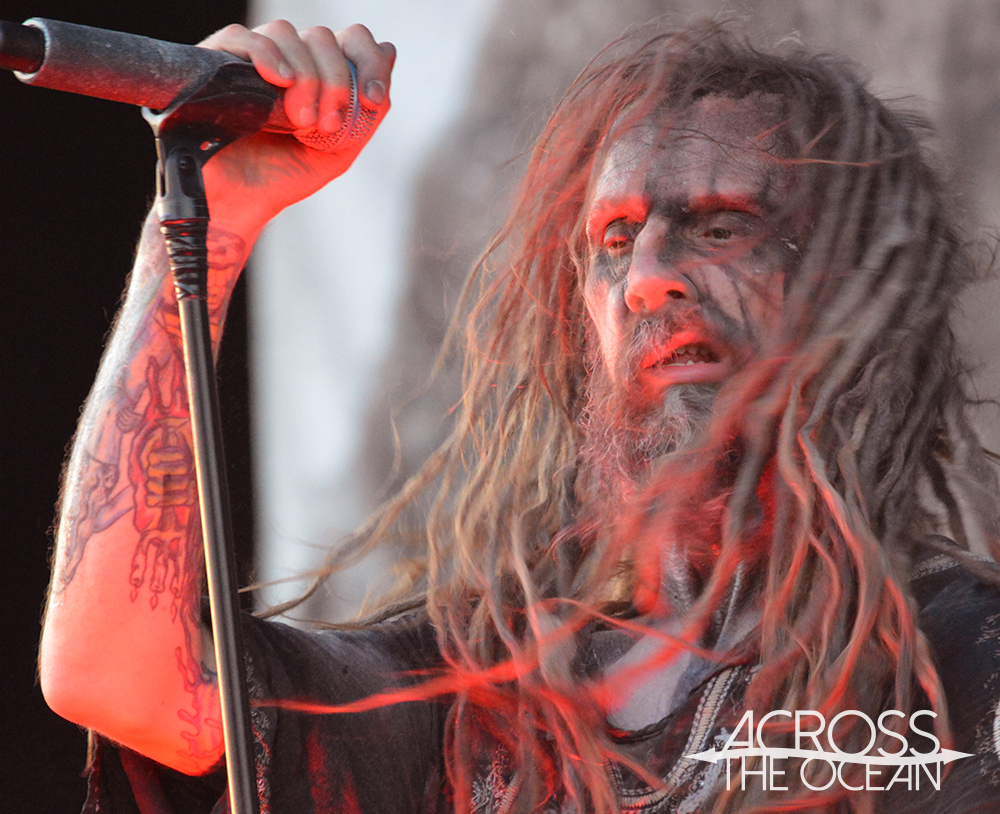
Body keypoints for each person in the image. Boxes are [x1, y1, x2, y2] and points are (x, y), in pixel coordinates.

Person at [39, 16, 1000, 814]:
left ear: (853, 292)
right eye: (615, 241)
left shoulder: (956, 669)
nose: (649, 280)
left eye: (720, 226)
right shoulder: (469, 689)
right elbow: (113, 677)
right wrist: (215, 213)